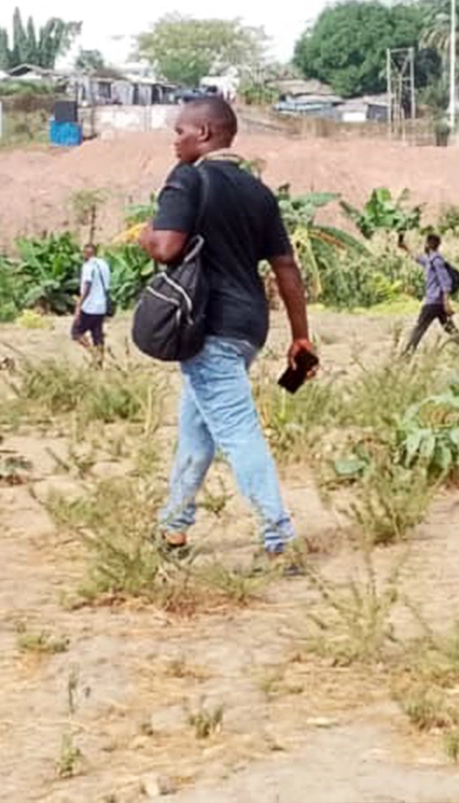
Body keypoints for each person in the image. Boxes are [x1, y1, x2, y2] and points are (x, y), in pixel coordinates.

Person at [139, 96, 315, 564]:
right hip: (249, 327)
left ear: (206, 133)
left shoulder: (187, 178)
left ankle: (279, 537)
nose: (175, 139)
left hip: (208, 324)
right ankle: (172, 527)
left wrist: (145, 236)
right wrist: (301, 335)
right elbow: (286, 268)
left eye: (181, 131)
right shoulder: (258, 192)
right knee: (196, 429)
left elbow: (166, 246)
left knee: (238, 430)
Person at [400, 232, 459, 354]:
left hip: (434, 303)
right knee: (451, 329)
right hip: (439, 304)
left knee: (419, 329)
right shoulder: (430, 260)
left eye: (425, 243)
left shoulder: (436, 261)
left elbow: (445, 281)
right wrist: (405, 247)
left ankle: (405, 357)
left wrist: (446, 303)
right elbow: (417, 257)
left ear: (428, 244)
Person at [72, 243, 112, 365]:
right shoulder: (104, 264)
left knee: (76, 332)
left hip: (89, 307)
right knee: (97, 335)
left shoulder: (88, 266)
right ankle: (99, 362)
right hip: (101, 306)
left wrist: (79, 304)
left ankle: (93, 353)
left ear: (86, 254)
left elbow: (87, 286)